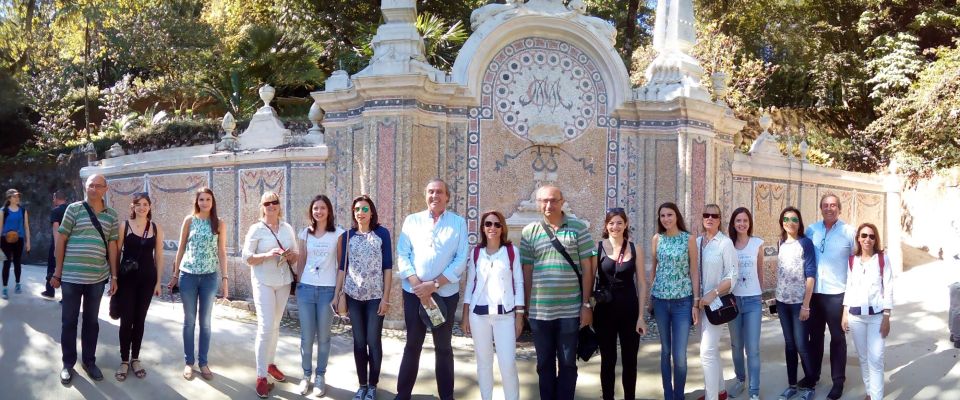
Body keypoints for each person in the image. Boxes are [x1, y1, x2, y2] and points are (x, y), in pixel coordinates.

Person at [520, 185, 596, 400]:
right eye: (543, 200)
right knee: (544, 363)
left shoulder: (578, 228)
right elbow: (527, 270)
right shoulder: (529, 231)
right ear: (537, 203)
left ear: (562, 202)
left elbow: (588, 268)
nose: (548, 205)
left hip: (570, 311)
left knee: (567, 363)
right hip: (539, 312)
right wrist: (525, 307)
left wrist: (586, 305)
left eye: (553, 200)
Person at [395, 178, 468, 400]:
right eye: (431, 192)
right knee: (413, 344)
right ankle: (403, 394)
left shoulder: (458, 223)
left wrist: (434, 285)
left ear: (447, 197)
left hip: (444, 296)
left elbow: (461, 259)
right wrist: (419, 286)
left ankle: (447, 396)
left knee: (443, 346)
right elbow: (403, 254)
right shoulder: (412, 220)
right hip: (415, 295)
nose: (435, 196)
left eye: (439, 192)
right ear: (426, 195)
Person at [50, 174, 120, 384]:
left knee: (91, 322)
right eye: (91, 185)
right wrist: (58, 272)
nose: (94, 189)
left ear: (105, 190)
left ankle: (89, 362)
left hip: (97, 278)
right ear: (85, 187)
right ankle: (68, 364)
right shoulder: (74, 209)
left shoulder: (111, 215)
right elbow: (61, 240)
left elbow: (113, 245)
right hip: (71, 277)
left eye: (99, 186)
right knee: (69, 322)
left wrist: (114, 275)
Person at [334, 195, 392, 400]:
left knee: (373, 341)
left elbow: (387, 267)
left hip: (375, 297)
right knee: (359, 342)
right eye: (357, 209)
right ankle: (362, 385)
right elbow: (342, 267)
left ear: (372, 212)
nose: (361, 213)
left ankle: (373, 386)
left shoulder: (382, 234)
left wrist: (386, 298)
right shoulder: (348, 236)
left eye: (365, 209)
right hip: (353, 297)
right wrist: (337, 295)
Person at [461, 210, 524, 400]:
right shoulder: (477, 252)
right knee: (484, 362)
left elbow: (519, 282)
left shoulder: (512, 252)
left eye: (497, 224)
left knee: (507, 363)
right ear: (483, 228)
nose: (492, 228)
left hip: (504, 316)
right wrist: (465, 315)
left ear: (502, 228)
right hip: (478, 315)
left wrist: (519, 315)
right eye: (488, 224)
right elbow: (470, 283)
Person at [242, 191, 299, 398]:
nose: (271, 206)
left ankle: (270, 364)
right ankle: (260, 375)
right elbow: (246, 257)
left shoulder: (287, 228)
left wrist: (291, 255)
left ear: (279, 205)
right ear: (262, 206)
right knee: (265, 327)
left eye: (275, 202)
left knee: (275, 325)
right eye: (267, 203)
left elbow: (295, 254)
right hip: (263, 281)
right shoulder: (256, 229)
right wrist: (268, 254)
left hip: (283, 282)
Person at [168, 187, 228, 382]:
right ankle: (189, 362)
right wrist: (175, 274)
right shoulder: (189, 220)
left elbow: (222, 252)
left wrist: (225, 279)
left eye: (208, 199)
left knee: (206, 323)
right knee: (189, 321)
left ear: (213, 202)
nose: (204, 203)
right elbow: (181, 247)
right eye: (201, 199)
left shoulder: (218, 223)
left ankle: (203, 362)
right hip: (188, 276)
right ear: (197, 201)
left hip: (210, 277)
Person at [804, 194, 856, 399]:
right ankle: (813, 376)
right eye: (825, 205)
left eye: (833, 205)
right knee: (814, 338)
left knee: (837, 339)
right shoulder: (812, 230)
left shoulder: (848, 232)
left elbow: (856, 264)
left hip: (837, 294)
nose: (829, 208)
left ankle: (838, 382)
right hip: (815, 294)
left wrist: (850, 300)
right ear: (820, 208)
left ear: (839, 209)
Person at [592, 207, 646, 400]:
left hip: (630, 312)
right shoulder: (597, 248)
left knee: (630, 361)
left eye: (619, 223)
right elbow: (590, 281)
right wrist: (587, 309)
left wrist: (641, 317)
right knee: (608, 360)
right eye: (611, 223)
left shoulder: (634, 248)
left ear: (626, 224)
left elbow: (641, 283)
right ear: (606, 226)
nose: (615, 226)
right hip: (604, 313)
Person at [295, 195, 344, 396]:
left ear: (329, 211)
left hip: (327, 291)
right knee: (306, 337)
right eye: (315, 208)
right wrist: (297, 285)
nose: (319, 211)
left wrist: (338, 293)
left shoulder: (339, 234)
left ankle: (320, 376)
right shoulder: (304, 233)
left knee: (324, 337)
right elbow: (301, 261)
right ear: (311, 211)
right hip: (306, 289)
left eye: (322, 208)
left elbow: (342, 265)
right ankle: (306, 375)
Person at [650, 202, 699, 400]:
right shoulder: (657, 239)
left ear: (677, 216)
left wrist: (695, 302)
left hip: (683, 302)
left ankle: (679, 395)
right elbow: (654, 269)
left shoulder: (689, 239)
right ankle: (668, 395)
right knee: (666, 351)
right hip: (661, 301)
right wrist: (650, 299)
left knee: (679, 355)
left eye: (670, 215)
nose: (666, 219)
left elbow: (694, 271)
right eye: (662, 216)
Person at [114, 192, 164, 381]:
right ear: (133, 206)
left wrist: (159, 281)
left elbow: (158, 256)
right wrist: (114, 278)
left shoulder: (156, 228)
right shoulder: (124, 226)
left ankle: (135, 358)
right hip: (127, 280)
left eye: (145, 204)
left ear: (150, 207)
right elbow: (117, 253)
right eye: (138, 204)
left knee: (140, 320)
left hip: (147, 280)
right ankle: (124, 360)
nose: (142, 207)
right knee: (126, 321)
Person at [841, 223, 893, 400]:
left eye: (871, 236)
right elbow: (849, 286)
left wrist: (887, 315)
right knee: (863, 358)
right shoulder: (852, 261)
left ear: (875, 239)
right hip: (856, 317)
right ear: (858, 238)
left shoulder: (882, 259)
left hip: (877, 317)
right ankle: (870, 392)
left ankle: (877, 398)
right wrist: (845, 313)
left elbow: (889, 287)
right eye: (864, 235)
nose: (867, 239)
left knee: (876, 359)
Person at [776, 206, 817, 400]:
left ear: (799, 223)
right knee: (789, 344)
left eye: (794, 219)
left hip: (799, 303)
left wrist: (806, 305)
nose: (790, 223)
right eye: (786, 219)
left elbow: (810, 275)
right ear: (782, 222)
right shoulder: (781, 243)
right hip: (782, 302)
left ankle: (810, 384)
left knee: (802, 345)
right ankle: (792, 384)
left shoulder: (805, 243)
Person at [696, 204, 737, 400]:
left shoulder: (725, 243)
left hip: (716, 304)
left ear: (720, 219)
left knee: (707, 351)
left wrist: (713, 293)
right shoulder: (696, 242)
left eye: (714, 215)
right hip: (699, 305)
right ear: (702, 218)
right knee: (710, 351)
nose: (710, 218)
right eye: (706, 215)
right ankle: (719, 391)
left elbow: (732, 275)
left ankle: (711, 397)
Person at [726, 207, 764, 399]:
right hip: (733, 301)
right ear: (733, 224)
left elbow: (760, 272)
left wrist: (759, 296)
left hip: (753, 302)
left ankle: (754, 391)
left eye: (745, 220)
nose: (742, 224)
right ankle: (741, 379)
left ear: (749, 223)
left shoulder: (757, 243)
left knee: (753, 348)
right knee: (736, 344)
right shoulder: (727, 244)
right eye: (738, 220)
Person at [2, 188, 31, 299]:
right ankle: (4, 288)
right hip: (5, 240)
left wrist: (28, 242)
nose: (17, 198)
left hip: (19, 239)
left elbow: (27, 227)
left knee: (17, 262)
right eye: (15, 196)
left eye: (18, 196)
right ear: (9, 198)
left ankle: (18, 284)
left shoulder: (23, 210)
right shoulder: (3, 211)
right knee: (6, 263)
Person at [41, 190, 68, 300]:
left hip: (58, 243)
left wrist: (57, 248)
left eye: (53, 198)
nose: (53, 200)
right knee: (66, 269)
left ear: (56, 198)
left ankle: (50, 290)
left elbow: (56, 229)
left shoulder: (56, 211)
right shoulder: (71, 210)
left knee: (52, 267)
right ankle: (65, 297)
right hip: (69, 244)